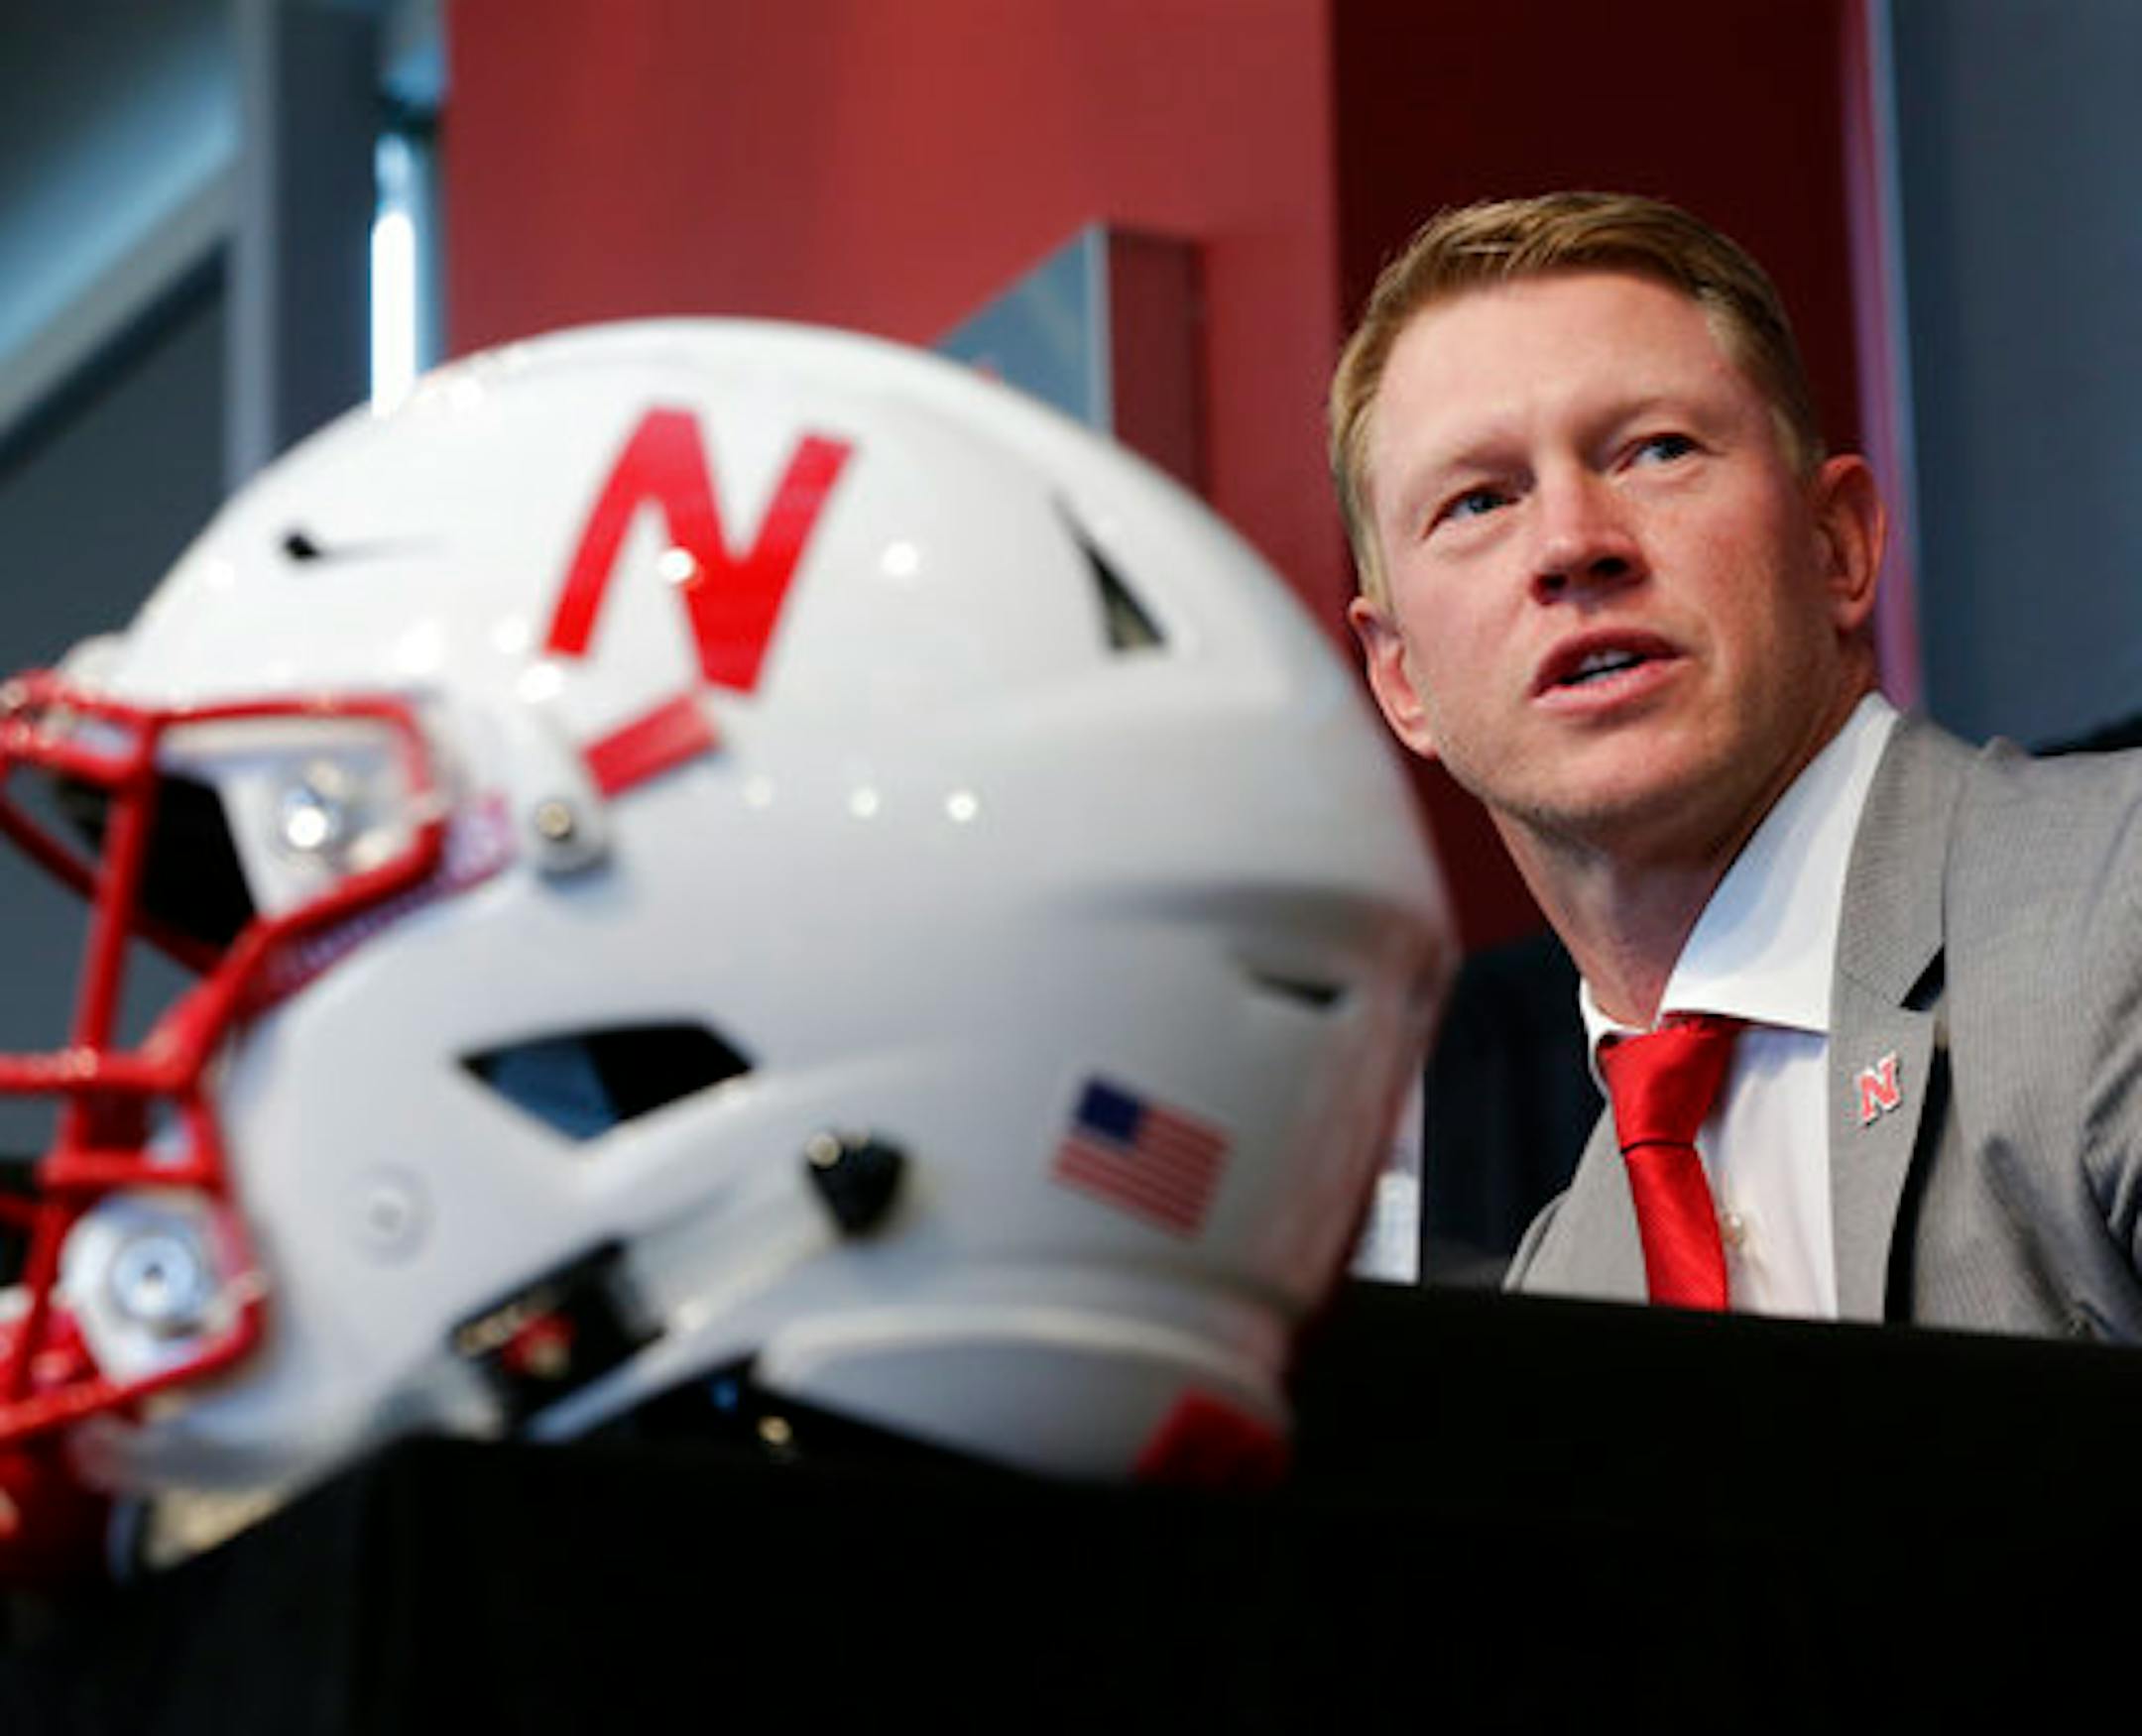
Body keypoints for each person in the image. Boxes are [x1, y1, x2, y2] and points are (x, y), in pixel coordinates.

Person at [1331, 190, 2142, 1336]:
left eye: (1656, 450)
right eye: (1478, 500)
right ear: (1402, 677)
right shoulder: (1561, 1280)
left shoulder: (2122, 905)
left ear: (1839, 547)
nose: (1572, 544)